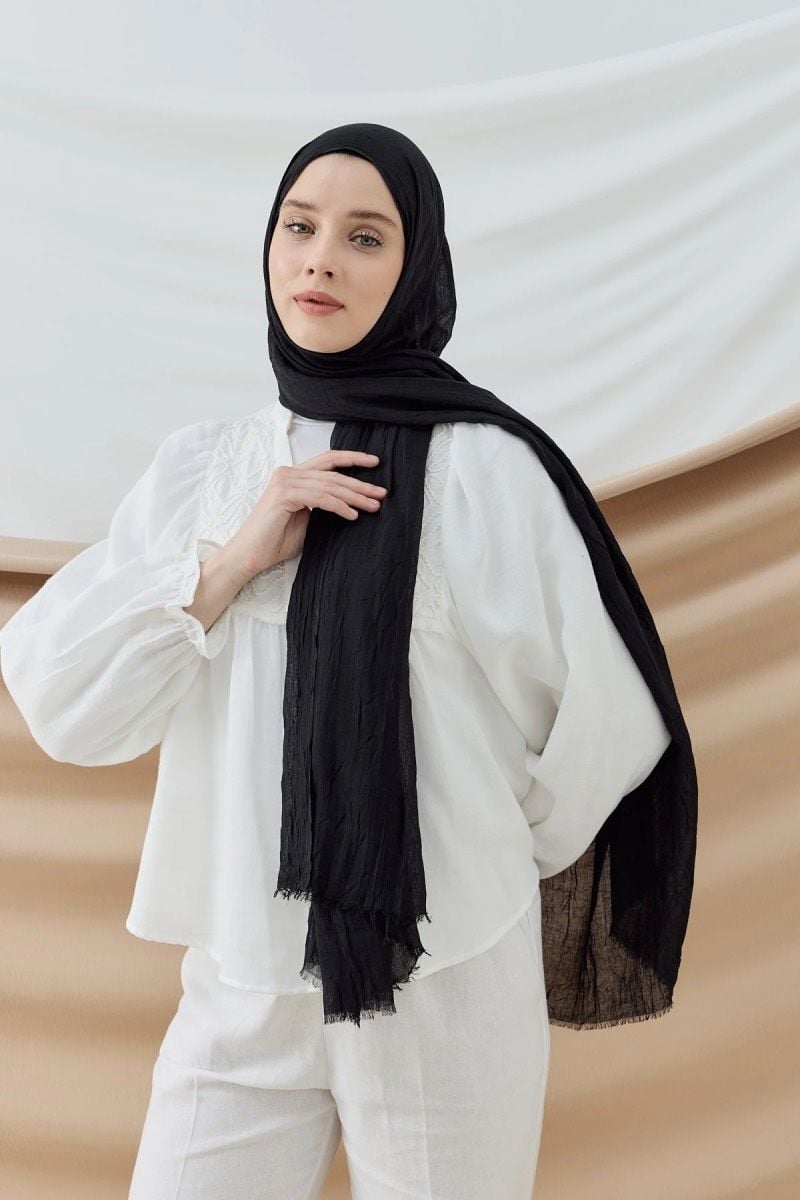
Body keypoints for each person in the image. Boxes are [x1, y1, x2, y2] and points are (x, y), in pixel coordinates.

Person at [0, 123, 695, 1199]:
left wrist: (475, 858)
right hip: (243, 983)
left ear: (414, 270)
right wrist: (232, 559)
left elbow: (608, 716)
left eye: (365, 237)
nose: (320, 258)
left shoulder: (484, 469)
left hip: (443, 985)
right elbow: (65, 704)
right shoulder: (204, 470)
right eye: (299, 226)